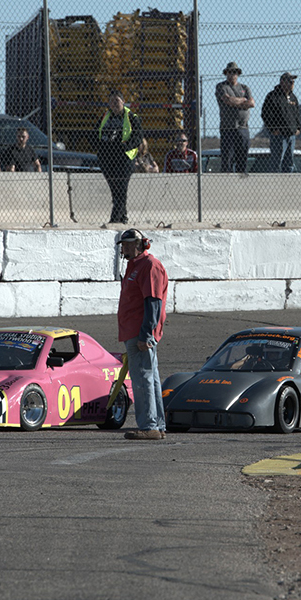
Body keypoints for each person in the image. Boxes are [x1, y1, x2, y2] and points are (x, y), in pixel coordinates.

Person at [116, 228, 169, 440]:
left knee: (142, 379)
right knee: (150, 378)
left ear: (140, 244)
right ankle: (156, 425)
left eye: (129, 244)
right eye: (123, 245)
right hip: (134, 332)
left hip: (140, 334)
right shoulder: (135, 266)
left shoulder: (149, 266)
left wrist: (146, 335)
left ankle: (149, 426)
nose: (125, 248)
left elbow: (153, 302)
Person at [97, 90, 143, 223]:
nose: (114, 104)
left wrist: (125, 147)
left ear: (123, 101)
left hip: (123, 160)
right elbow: (95, 133)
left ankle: (115, 219)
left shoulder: (131, 117)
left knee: (121, 189)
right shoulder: (105, 116)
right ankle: (123, 217)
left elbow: (138, 136)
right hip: (107, 159)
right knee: (114, 190)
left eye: (116, 101)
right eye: (111, 101)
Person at [214, 62, 254, 173]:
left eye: (235, 72)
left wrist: (235, 101)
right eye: (230, 72)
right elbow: (227, 100)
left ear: (238, 74)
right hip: (228, 128)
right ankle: (226, 185)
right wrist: (242, 100)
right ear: (226, 73)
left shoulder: (244, 88)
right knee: (227, 160)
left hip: (243, 128)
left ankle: (241, 185)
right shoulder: (222, 86)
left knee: (242, 159)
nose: (232, 74)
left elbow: (252, 103)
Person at [261, 72, 301, 172]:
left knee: (289, 164)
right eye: (290, 81)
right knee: (277, 162)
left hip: (291, 135)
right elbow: (265, 114)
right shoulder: (273, 96)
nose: (292, 83)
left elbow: (297, 114)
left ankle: (287, 186)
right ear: (282, 82)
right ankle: (274, 185)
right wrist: (273, 129)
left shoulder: (293, 97)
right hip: (279, 136)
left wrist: (298, 128)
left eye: (293, 81)